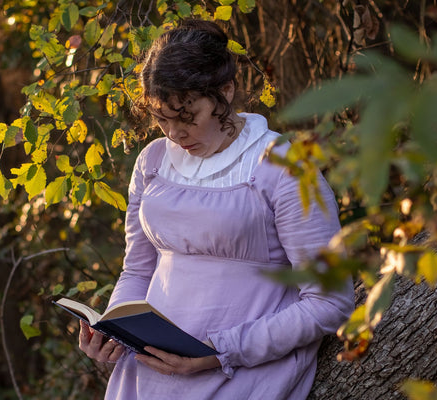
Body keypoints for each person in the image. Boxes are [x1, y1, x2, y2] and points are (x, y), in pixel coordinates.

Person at [78, 19, 354, 400]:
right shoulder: (153, 162)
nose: (175, 133)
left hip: (242, 371)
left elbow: (329, 302)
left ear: (226, 91)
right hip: (147, 377)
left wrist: (218, 352)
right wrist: (115, 328)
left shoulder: (283, 168)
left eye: (187, 116)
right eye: (161, 118)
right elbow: (138, 269)